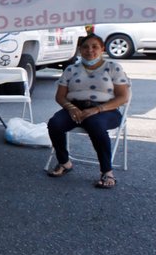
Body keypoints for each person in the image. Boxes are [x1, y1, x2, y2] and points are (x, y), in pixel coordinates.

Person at [46, 34, 131, 188]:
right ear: (80, 49)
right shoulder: (71, 69)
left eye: (94, 46)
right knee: (55, 123)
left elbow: (123, 97)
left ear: (102, 49)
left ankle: (107, 172)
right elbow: (60, 96)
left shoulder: (113, 67)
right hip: (75, 108)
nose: (89, 50)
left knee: (94, 124)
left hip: (107, 109)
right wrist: (71, 108)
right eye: (85, 47)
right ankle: (65, 163)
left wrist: (97, 109)